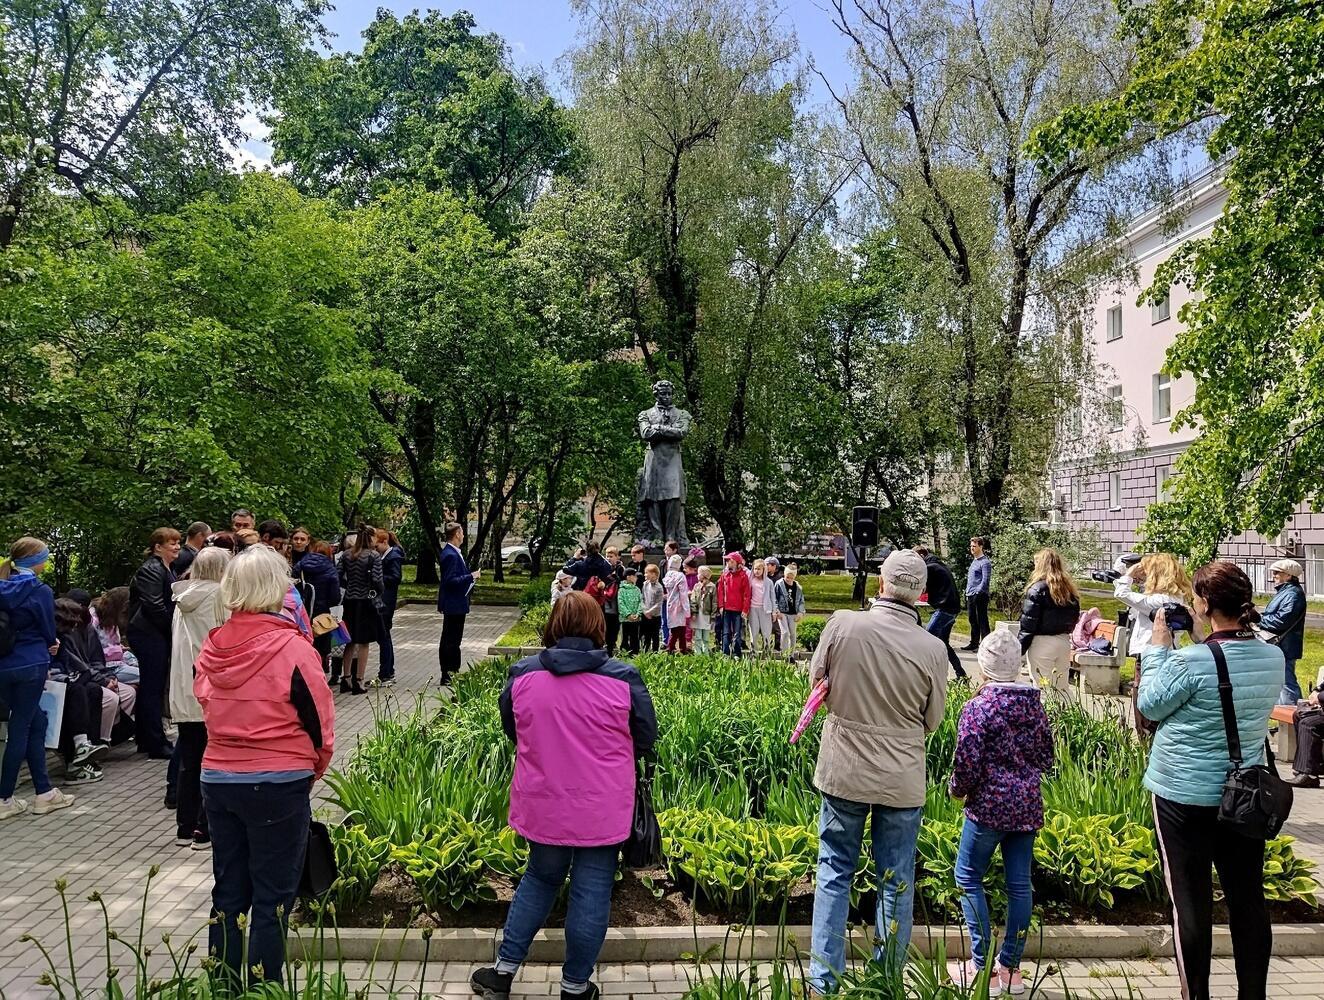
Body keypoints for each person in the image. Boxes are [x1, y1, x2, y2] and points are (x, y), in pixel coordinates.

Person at [471, 592, 657, 1000]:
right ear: (598, 626)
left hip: (544, 800)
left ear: (553, 625)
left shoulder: (523, 674)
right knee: (593, 889)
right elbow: (645, 738)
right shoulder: (622, 678)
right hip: (603, 806)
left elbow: (513, 729)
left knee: (539, 878)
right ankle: (575, 987)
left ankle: (502, 973)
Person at [808, 549, 948, 992]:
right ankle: (885, 982)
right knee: (896, 880)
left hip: (844, 768)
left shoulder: (844, 624)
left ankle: (823, 981)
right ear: (920, 594)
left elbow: (817, 683)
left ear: (882, 584)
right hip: (901, 778)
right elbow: (933, 719)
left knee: (834, 870)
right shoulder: (932, 648)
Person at [195, 544, 335, 986]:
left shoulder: (213, 645)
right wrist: (310, 770)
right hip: (279, 781)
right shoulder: (293, 649)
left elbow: (206, 704)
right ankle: (264, 990)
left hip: (218, 778)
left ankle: (223, 986)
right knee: (273, 900)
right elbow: (321, 724)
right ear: (278, 589)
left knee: (228, 892)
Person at [1138, 561, 1279, 1000]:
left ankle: (1196, 994)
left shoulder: (1188, 660)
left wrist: (1158, 647)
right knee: (1248, 901)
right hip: (1245, 796)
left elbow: (1149, 705)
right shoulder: (1272, 657)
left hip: (1183, 795)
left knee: (1191, 903)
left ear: (1202, 604)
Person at [947, 628, 1053, 993]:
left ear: (985, 666)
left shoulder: (979, 707)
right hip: (1026, 805)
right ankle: (1010, 968)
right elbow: (1046, 758)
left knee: (967, 877)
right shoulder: (1034, 706)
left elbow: (967, 762)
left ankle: (982, 966)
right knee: (1019, 885)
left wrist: (956, 790)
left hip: (988, 808)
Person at [0, 538, 76, 819]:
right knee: (20, 728)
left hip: (3, 666)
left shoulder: (2, 585)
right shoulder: (39, 590)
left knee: (36, 721)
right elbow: (48, 627)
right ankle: (4, 798)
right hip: (31, 663)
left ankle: (44, 792)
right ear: (36, 560)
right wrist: (52, 643)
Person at [169, 546, 230, 849]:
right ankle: (204, 830)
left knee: (189, 761)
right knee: (214, 760)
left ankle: (184, 827)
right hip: (211, 688)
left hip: (183, 688)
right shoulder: (220, 596)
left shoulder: (181, 597)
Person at [1115, 553, 1192, 733]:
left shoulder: (1158, 601)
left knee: (1144, 703)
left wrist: (1129, 574)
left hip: (1150, 656)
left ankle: (1146, 744)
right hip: (1166, 654)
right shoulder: (1174, 597)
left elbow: (1121, 593)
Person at [127, 527, 181, 758]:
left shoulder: (165, 567)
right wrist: (173, 627)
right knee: (152, 687)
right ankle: (155, 742)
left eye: (178, 542)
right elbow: (154, 604)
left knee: (153, 686)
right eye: (172, 543)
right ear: (158, 547)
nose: (177, 547)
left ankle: (147, 737)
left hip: (155, 632)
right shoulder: (151, 569)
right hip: (148, 633)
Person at [50, 599, 113, 783]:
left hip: (67, 677)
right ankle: (76, 755)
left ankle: (86, 752)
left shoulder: (69, 634)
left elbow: (81, 665)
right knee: (77, 692)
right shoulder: (55, 634)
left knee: (93, 690)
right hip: (52, 683)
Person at [1018, 548, 1081, 695]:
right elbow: (1074, 616)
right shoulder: (1069, 589)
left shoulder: (1036, 589)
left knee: (1042, 686)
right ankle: (1067, 716)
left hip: (1041, 643)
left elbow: (1028, 624)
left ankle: (1045, 717)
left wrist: (1019, 649)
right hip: (1063, 641)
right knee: (1062, 687)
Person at [338, 525, 383, 695]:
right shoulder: (373, 556)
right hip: (366, 601)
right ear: (371, 537)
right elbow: (378, 580)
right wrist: (378, 592)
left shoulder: (346, 555)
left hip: (350, 601)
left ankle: (346, 677)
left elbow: (339, 576)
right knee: (364, 642)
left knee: (349, 640)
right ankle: (359, 680)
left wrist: (348, 589)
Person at [1259, 558, 1307, 704]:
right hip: (1281, 646)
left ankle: (1293, 720)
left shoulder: (1293, 594)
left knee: (1287, 684)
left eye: (1277, 572)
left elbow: (1282, 620)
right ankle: (1285, 723)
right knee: (1281, 684)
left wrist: (1258, 620)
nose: (1273, 575)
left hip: (1285, 647)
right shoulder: (1286, 592)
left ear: (1288, 575)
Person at [438, 522, 479, 688]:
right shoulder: (451, 555)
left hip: (455, 602)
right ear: (456, 534)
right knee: (452, 640)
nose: (463, 536)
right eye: (462, 533)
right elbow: (450, 581)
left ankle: (449, 672)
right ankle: (450, 673)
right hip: (454, 603)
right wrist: (471, 576)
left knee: (450, 638)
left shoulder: (452, 553)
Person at [917, 545, 967, 680]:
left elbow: (920, 586)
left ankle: (926, 677)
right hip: (952, 608)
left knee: (927, 641)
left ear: (921, 556)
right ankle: (961, 674)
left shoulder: (929, 568)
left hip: (944, 609)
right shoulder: (939, 565)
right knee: (943, 643)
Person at [292, 541, 341, 674]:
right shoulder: (330, 568)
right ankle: (319, 672)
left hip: (301, 611)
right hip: (322, 614)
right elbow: (335, 597)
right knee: (322, 645)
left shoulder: (301, 564)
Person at [91, 587, 139, 685]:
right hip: (108, 667)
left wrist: (119, 648)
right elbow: (93, 651)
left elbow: (112, 643)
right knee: (146, 675)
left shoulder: (111, 620)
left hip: (119, 660)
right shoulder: (93, 621)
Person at [375, 529, 404, 687]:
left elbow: (395, 578)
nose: (375, 549)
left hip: (386, 602)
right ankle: (386, 670)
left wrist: (376, 576)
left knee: (384, 636)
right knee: (384, 636)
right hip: (385, 601)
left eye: (377, 545)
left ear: (384, 542)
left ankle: (386, 672)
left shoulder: (393, 557)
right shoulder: (388, 556)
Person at [716, 552, 751, 658]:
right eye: (727, 561)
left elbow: (746, 594)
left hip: (738, 609)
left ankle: (737, 653)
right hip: (726, 608)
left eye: (731, 561)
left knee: (737, 632)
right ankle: (725, 653)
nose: (728, 563)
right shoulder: (725, 575)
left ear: (737, 563)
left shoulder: (743, 576)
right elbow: (720, 591)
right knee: (725, 632)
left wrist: (745, 609)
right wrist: (721, 606)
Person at [961, 536, 992, 651]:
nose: (972, 548)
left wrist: (978, 592)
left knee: (982, 620)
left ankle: (986, 646)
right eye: (971, 546)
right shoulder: (974, 561)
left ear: (981, 546)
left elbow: (985, 580)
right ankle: (974, 643)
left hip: (979, 596)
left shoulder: (985, 562)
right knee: (972, 620)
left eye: (974, 546)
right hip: (970, 594)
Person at [773, 564, 805, 659]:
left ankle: (791, 655)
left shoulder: (798, 587)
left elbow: (801, 601)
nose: (789, 579)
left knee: (793, 634)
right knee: (785, 632)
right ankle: (785, 654)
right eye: (787, 577)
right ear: (784, 575)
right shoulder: (779, 584)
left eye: (791, 578)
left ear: (794, 577)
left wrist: (800, 612)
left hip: (793, 613)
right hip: (782, 613)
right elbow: (774, 598)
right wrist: (777, 610)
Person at [663, 555, 692, 654]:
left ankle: (681, 648)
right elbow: (683, 594)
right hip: (679, 604)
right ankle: (671, 648)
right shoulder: (680, 576)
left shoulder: (668, 575)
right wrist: (687, 610)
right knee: (680, 629)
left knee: (675, 628)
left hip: (670, 603)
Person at [748, 559, 776, 657]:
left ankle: (767, 651)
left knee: (766, 632)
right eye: (755, 569)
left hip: (765, 610)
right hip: (753, 609)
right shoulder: (750, 580)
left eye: (759, 569)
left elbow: (773, 597)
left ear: (764, 570)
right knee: (754, 631)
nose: (757, 571)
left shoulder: (768, 582)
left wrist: (774, 611)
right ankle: (753, 651)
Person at [601, 547, 623, 655]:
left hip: (616, 603)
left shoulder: (620, 568)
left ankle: (611, 645)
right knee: (605, 624)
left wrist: (614, 577)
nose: (608, 558)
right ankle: (607, 645)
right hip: (605, 602)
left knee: (614, 626)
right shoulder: (603, 568)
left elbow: (622, 582)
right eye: (607, 556)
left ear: (617, 557)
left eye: (611, 556)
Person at [691, 565, 717, 653]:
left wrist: (713, 615)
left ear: (704, 575)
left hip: (707, 614)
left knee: (706, 635)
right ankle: (698, 651)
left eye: (699, 574)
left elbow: (714, 602)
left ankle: (705, 651)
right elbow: (693, 599)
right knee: (697, 634)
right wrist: (694, 612)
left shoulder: (712, 587)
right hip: (698, 614)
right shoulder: (696, 586)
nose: (697, 575)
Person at [618, 568, 643, 655]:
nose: (636, 578)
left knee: (635, 636)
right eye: (635, 576)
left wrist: (638, 613)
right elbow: (621, 603)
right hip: (625, 619)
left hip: (636, 618)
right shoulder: (622, 590)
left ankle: (635, 652)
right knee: (625, 636)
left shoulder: (637, 589)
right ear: (628, 577)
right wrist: (628, 614)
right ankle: (624, 652)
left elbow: (641, 602)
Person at [640, 564, 664, 653]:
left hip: (655, 616)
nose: (645, 575)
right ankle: (645, 651)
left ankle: (655, 652)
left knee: (655, 635)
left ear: (654, 574)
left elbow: (658, 603)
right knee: (646, 635)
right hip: (645, 614)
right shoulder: (645, 584)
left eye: (647, 573)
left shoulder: (659, 587)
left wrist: (650, 612)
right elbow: (642, 598)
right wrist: (645, 611)